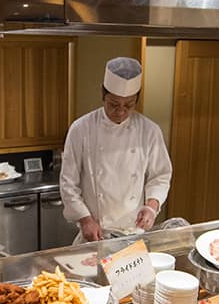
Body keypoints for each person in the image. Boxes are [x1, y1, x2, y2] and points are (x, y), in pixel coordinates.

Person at [60, 57, 172, 243]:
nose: (120, 111)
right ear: (103, 94)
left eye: (129, 105)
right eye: (113, 104)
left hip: (133, 231)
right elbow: (68, 183)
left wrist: (152, 207)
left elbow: (160, 175)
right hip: (95, 233)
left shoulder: (150, 130)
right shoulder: (81, 129)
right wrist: (85, 219)